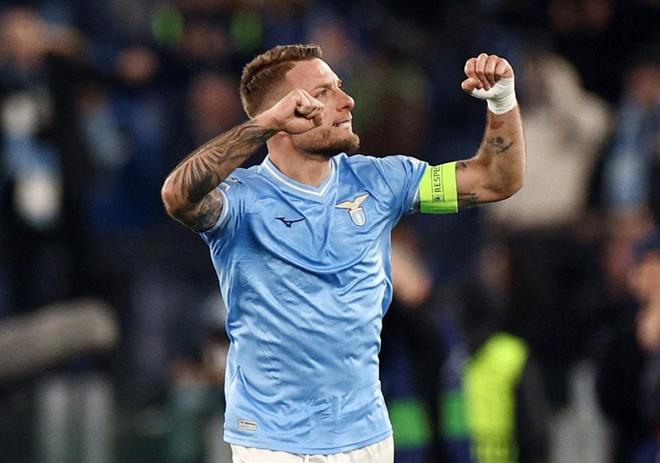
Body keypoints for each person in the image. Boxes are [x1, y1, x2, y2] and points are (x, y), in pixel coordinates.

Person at [161, 44, 525, 462]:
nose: (347, 100)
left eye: (340, 86)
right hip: (274, 442)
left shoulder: (383, 181)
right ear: (284, 112)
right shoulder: (241, 200)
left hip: (367, 438)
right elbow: (177, 196)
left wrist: (502, 101)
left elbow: (496, 179)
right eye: (324, 92)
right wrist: (264, 124)